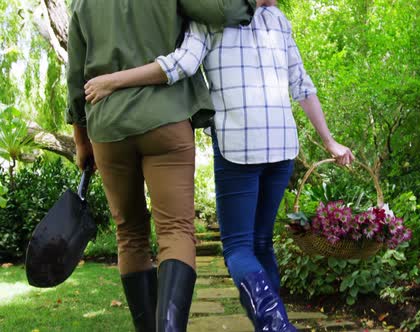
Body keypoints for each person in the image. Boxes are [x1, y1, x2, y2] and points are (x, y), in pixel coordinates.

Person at [83, 2, 354, 331]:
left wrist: (114, 81)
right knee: (261, 243)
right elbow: (303, 85)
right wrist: (329, 141)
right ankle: (273, 324)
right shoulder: (278, 20)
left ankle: (275, 324)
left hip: (240, 146)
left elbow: (180, 65)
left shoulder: (210, 19)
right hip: (281, 145)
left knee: (239, 248)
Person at [65, 1, 270, 331]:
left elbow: (75, 75)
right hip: (166, 119)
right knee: (176, 231)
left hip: (107, 126)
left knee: (129, 235)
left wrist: (81, 140)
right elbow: (224, 10)